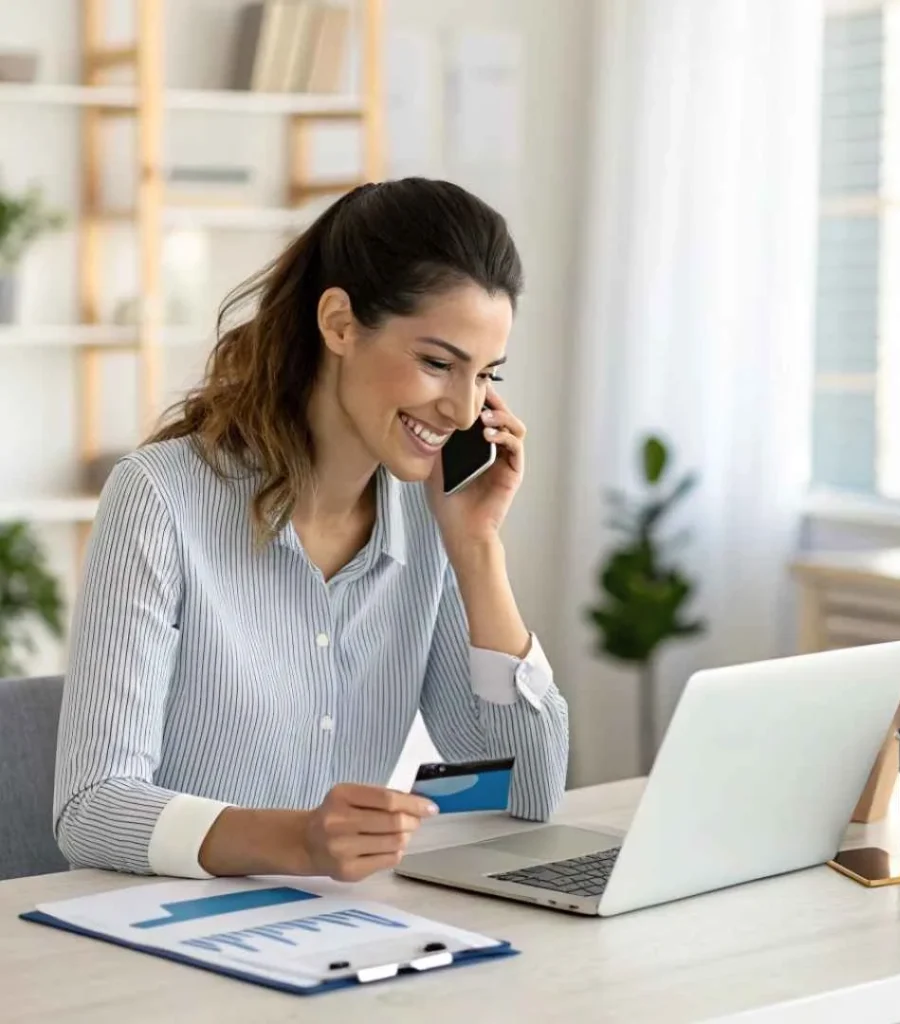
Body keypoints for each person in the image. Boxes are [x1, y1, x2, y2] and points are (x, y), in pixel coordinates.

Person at [53, 178, 569, 883]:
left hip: (338, 937)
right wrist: (300, 842)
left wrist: (477, 551)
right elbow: (91, 809)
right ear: (338, 324)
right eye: (437, 362)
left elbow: (526, 799)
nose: (461, 407)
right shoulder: (160, 499)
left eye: (486, 375)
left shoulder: (432, 519)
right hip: (161, 943)